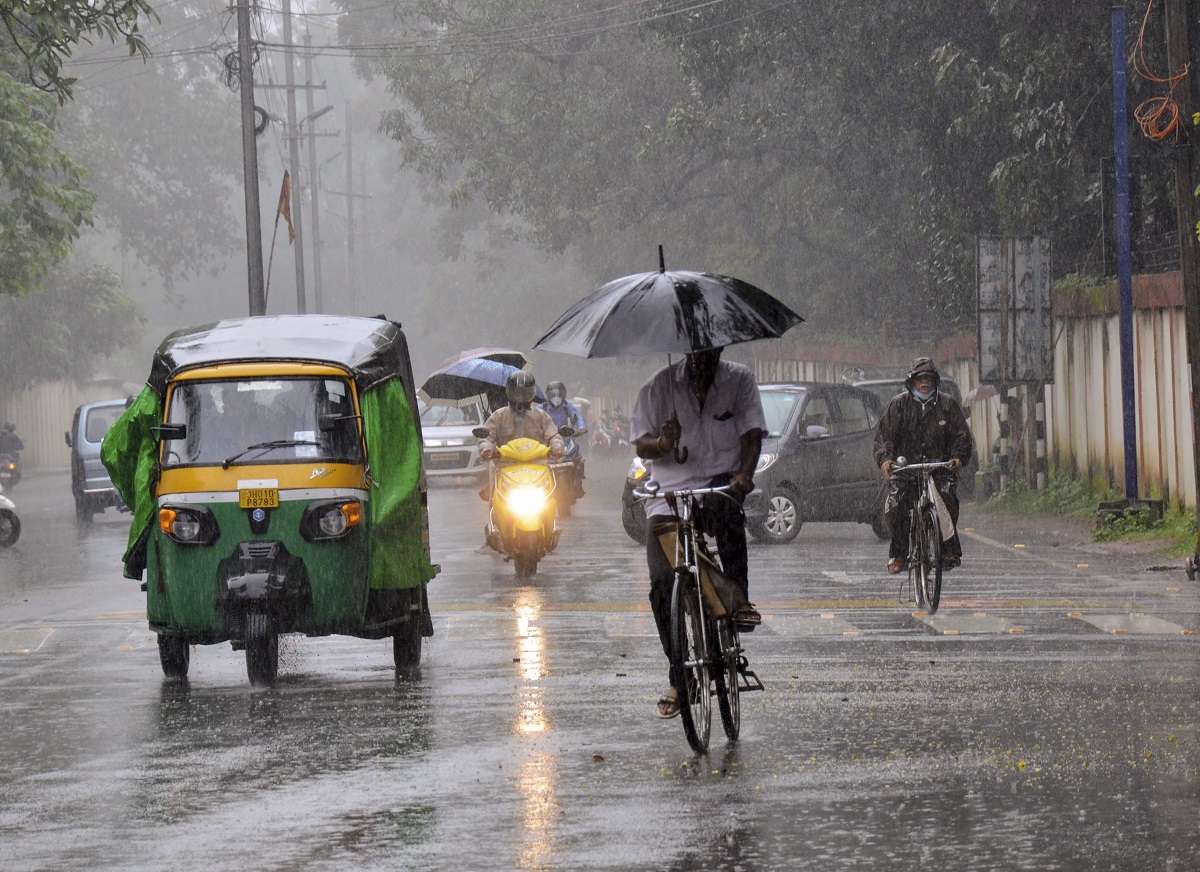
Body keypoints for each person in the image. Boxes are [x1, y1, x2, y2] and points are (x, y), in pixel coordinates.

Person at [632, 347, 765, 720]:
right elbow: (641, 442)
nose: (701, 361)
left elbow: (752, 434)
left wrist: (745, 475)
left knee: (728, 516)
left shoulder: (738, 380)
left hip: (718, 487)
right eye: (695, 353)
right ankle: (680, 677)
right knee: (662, 585)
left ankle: (739, 602)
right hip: (669, 496)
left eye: (709, 352)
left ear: (719, 349)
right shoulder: (658, 388)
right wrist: (661, 443)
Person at [873, 357, 973, 575]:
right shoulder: (898, 405)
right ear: (912, 382)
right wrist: (886, 459)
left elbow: (962, 436)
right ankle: (899, 553)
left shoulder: (947, 405)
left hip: (939, 468)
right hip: (906, 469)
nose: (924, 383)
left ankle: (948, 550)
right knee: (896, 505)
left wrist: (957, 457)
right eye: (920, 379)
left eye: (928, 379)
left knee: (946, 498)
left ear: (935, 382)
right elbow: (884, 437)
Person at [478, 371, 565, 495]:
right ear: (509, 392)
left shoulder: (541, 416)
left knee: (553, 497)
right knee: (494, 496)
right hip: (505, 467)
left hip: (538, 468)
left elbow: (553, 435)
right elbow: (486, 437)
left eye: (525, 393)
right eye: (517, 393)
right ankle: (494, 507)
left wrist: (557, 446)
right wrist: (487, 448)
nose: (520, 397)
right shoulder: (498, 416)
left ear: (532, 393)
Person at [541, 380, 587, 496]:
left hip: (565, 438)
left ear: (563, 394)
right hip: (547, 440)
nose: (556, 397)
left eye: (559, 394)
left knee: (578, 457)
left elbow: (578, 417)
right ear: (548, 395)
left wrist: (581, 428)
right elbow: (534, 419)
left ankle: (578, 483)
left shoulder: (568, 407)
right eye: (553, 394)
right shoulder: (543, 407)